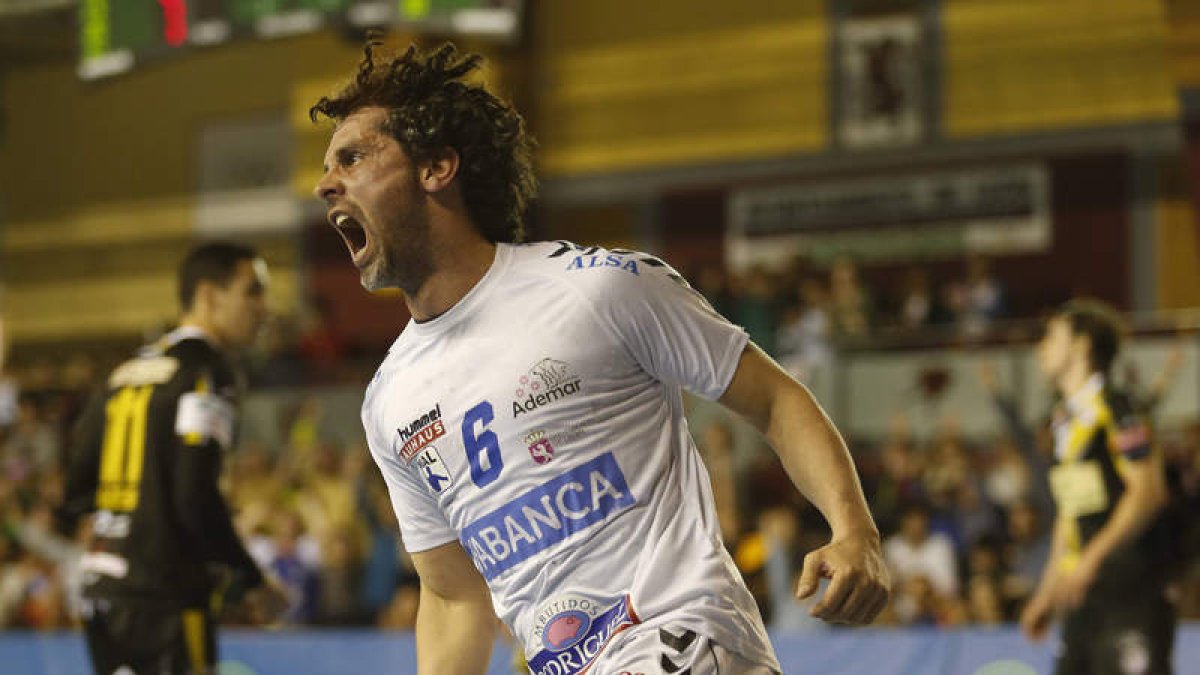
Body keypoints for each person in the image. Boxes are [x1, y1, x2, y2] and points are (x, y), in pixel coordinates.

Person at [310, 41, 890, 675]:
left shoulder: (599, 286)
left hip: (682, 642)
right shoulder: (391, 399)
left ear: (437, 167)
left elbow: (775, 399)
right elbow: (452, 598)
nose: (324, 183)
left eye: (354, 157)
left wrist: (853, 528)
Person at [60, 242, 287, 675]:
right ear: (208, 296)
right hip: (164, 594)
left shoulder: (123, 375)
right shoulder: (208, 372)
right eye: (253, 291)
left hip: (101, 591)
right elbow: (194, 498)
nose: (266, 308)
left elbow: (76, 491)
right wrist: (251, 579)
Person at [1019, 299, 1176, 674]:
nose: (1041, 348)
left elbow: (1147, 493)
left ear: (1082, 345)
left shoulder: (1121, 412)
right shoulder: (1063, 425)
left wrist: (1090, 561)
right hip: (1082, 599)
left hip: (1130, 592)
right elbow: (1070, 514)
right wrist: (1047, 591)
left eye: (1052, 337)